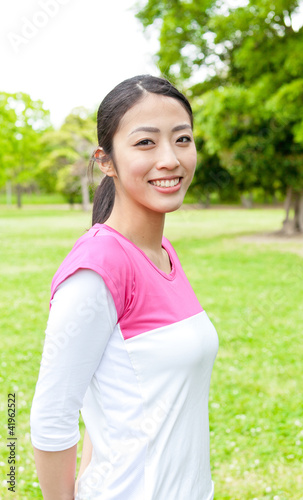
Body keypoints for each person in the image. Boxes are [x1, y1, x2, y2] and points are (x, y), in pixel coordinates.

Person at [30, 74, 219, 500]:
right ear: (107, 160)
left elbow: (109, 405)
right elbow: (52, 417)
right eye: (146, 143)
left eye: (182, 139)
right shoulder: (97, 268)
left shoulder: (162, 251)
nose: (170, 158)